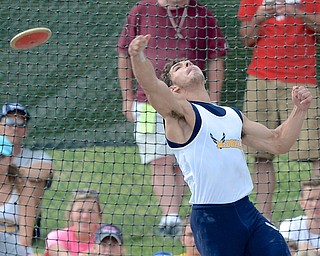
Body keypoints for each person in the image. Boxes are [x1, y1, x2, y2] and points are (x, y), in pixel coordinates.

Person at [128, 34, 313, 255]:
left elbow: (278, 142)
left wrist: (299, 110)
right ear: (174, 89)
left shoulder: (232, 116)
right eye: (178, 67)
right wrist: (137, 55)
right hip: (212, 218)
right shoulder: (181, 114)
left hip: (247, 211)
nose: (188, 64)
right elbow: (152, 86)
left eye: (189, 62)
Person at [117, 0, 227, 237]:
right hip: (146, 101)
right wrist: (127, 97)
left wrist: (212, 101)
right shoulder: (141, 10)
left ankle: (182, 216)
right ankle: (170, 218)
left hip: (191, 103)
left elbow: (216, 58)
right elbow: (125, 55)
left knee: (184, 159)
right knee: (158, 160)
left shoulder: (202, 14)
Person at [237, 0, 320, 220]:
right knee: (260, 153)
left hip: (303, 77)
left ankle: (316, 213)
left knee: (316, 153)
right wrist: (258, 18)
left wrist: (297, 12)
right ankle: (264, 220)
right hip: (260, 77)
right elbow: (246, 37)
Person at [0, 102, 54, 238]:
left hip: (23, 219)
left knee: (35, 181)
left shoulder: (37, 156)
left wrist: (10, 174)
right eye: (10, 122)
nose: (15, 128)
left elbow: (46, 170)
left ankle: (25, 234)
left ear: (26, 131)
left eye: (20, 125)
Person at [0, 135, 38, 255]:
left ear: (11, 158)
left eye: (1, 157)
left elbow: (25, 239)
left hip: (17, 250)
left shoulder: (23, 187)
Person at [45, 189, 102, 256]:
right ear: (70, 214)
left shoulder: (108, 236)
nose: (85, 216)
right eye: (80, 211)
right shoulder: (56, 236)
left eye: (91, 211)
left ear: (99, 214)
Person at [280, 179, 320, 254]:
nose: (315, 204)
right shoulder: (291, 225)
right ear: (302, 203)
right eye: (310, 199)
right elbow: (285, 250)